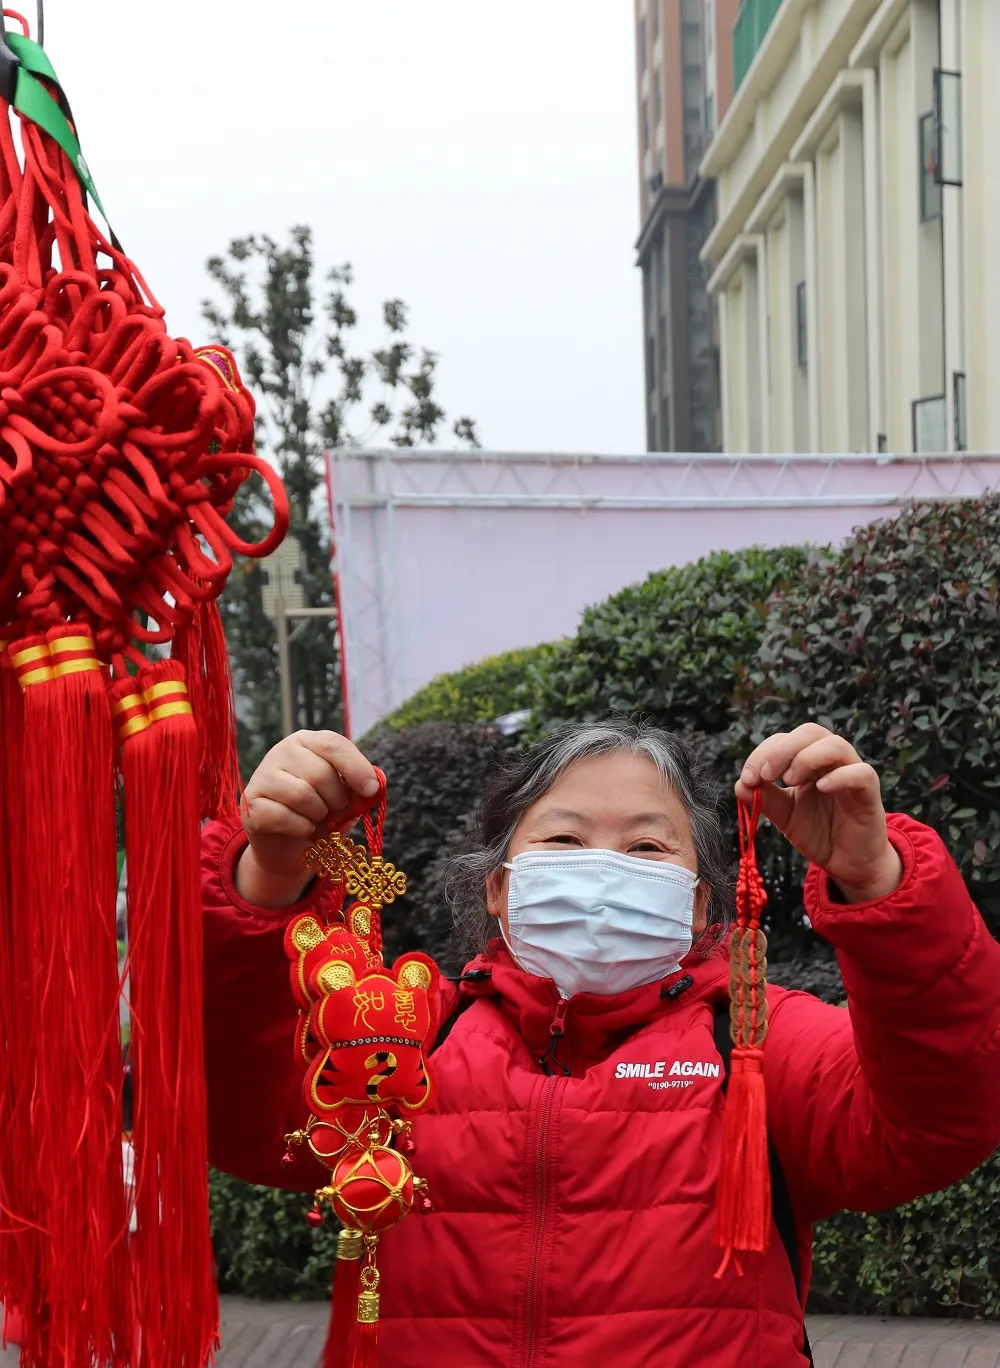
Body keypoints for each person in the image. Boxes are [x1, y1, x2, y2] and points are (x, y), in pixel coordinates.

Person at [202, 718, 1000, 1368]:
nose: (602, 872)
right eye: (563, 841)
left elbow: (939, 1120)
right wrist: (268, 878)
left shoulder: (756, 1046)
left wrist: (876, 878)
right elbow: (242, 1120)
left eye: (648, 848)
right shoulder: (403, 1040)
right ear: (500, 885)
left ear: (697, 904)